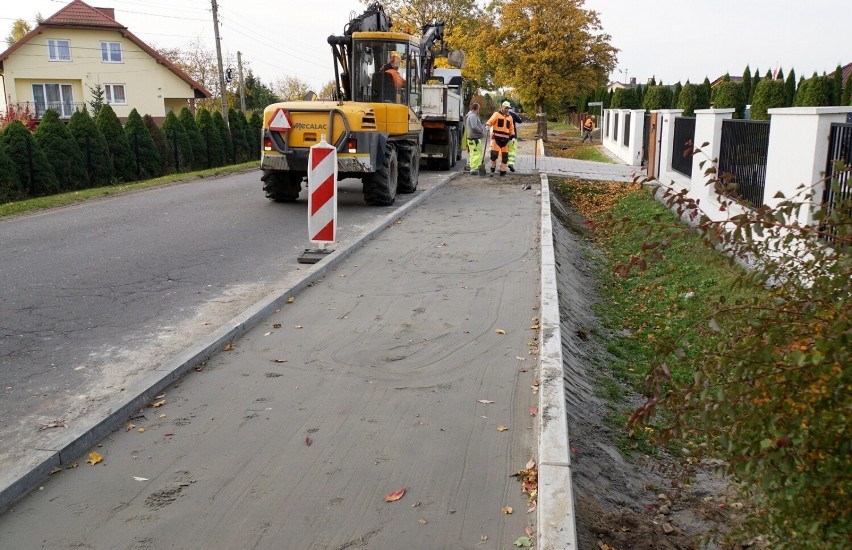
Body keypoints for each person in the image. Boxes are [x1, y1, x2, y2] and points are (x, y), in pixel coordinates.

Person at [486, 101, 515, 176]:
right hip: (496, 139)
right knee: (494, 155)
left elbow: (511, 128)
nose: (507, 110)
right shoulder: (496, 114)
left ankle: (503, 171)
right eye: (506, 108)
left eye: (508, 108)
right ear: (502, 107)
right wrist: (488, 125)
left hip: (505, 140)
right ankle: (493, 167)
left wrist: (513, 137)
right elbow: (490, 121)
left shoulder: (510, 118)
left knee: (505, 157)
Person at [465, 102, 486, 176]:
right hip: (474, 138)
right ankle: (474, 169)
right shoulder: (473, 116)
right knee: (476, 154)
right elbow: (474, 126)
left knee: (474, 153)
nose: (479, 110)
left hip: (473, 138)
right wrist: (481, 131)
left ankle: (474, 167)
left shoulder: (470, 115)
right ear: (477, 109)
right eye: (479, 109)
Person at [506, 106, 522, 172]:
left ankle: (503, 165)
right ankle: (511, 164)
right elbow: (520, 121)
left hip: (504, 136)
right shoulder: (513, 114)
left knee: (504, 151)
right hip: (512, 135)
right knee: (512, 151)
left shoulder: (500, 114)